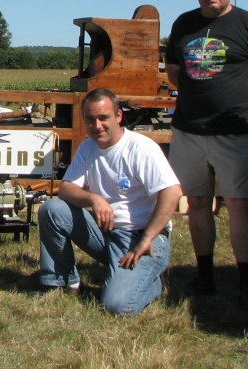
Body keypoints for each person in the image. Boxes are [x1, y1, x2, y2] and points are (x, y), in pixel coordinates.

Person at [165, 0, 248, 308]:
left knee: (238, 204)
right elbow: (174, 72)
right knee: (197, 203)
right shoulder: (184, 24)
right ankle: (205, 277)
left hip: (234, 131)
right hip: (189, 129)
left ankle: (247, 284)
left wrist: (241, 100)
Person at [35, 88, 182, 316]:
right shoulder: (87, 148)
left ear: (119, 116)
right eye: (90, 119)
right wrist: (93, 198)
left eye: (103, 118)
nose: (97, 126)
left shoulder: (141, 148)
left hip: (142, 237)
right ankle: (63, 282)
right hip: (106, 232)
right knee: (52, 209)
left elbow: (172, 192)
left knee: (117, 306)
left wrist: (147, 238)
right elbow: (66, 189)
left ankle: (153, 280)